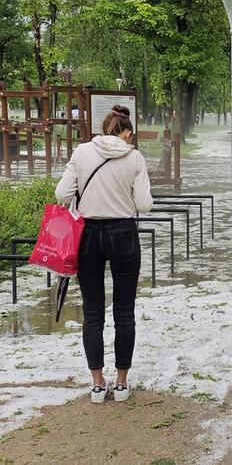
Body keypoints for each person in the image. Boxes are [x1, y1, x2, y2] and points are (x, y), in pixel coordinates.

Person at [55, 104, 153, 404]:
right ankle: (122, 383)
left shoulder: (82, 152)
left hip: (87, 235)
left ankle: (97, 383)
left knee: (93, 312)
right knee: (124, 311)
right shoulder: (134, 157)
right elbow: (145, 204)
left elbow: (62, 194)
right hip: (123, 233)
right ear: (125, 132)